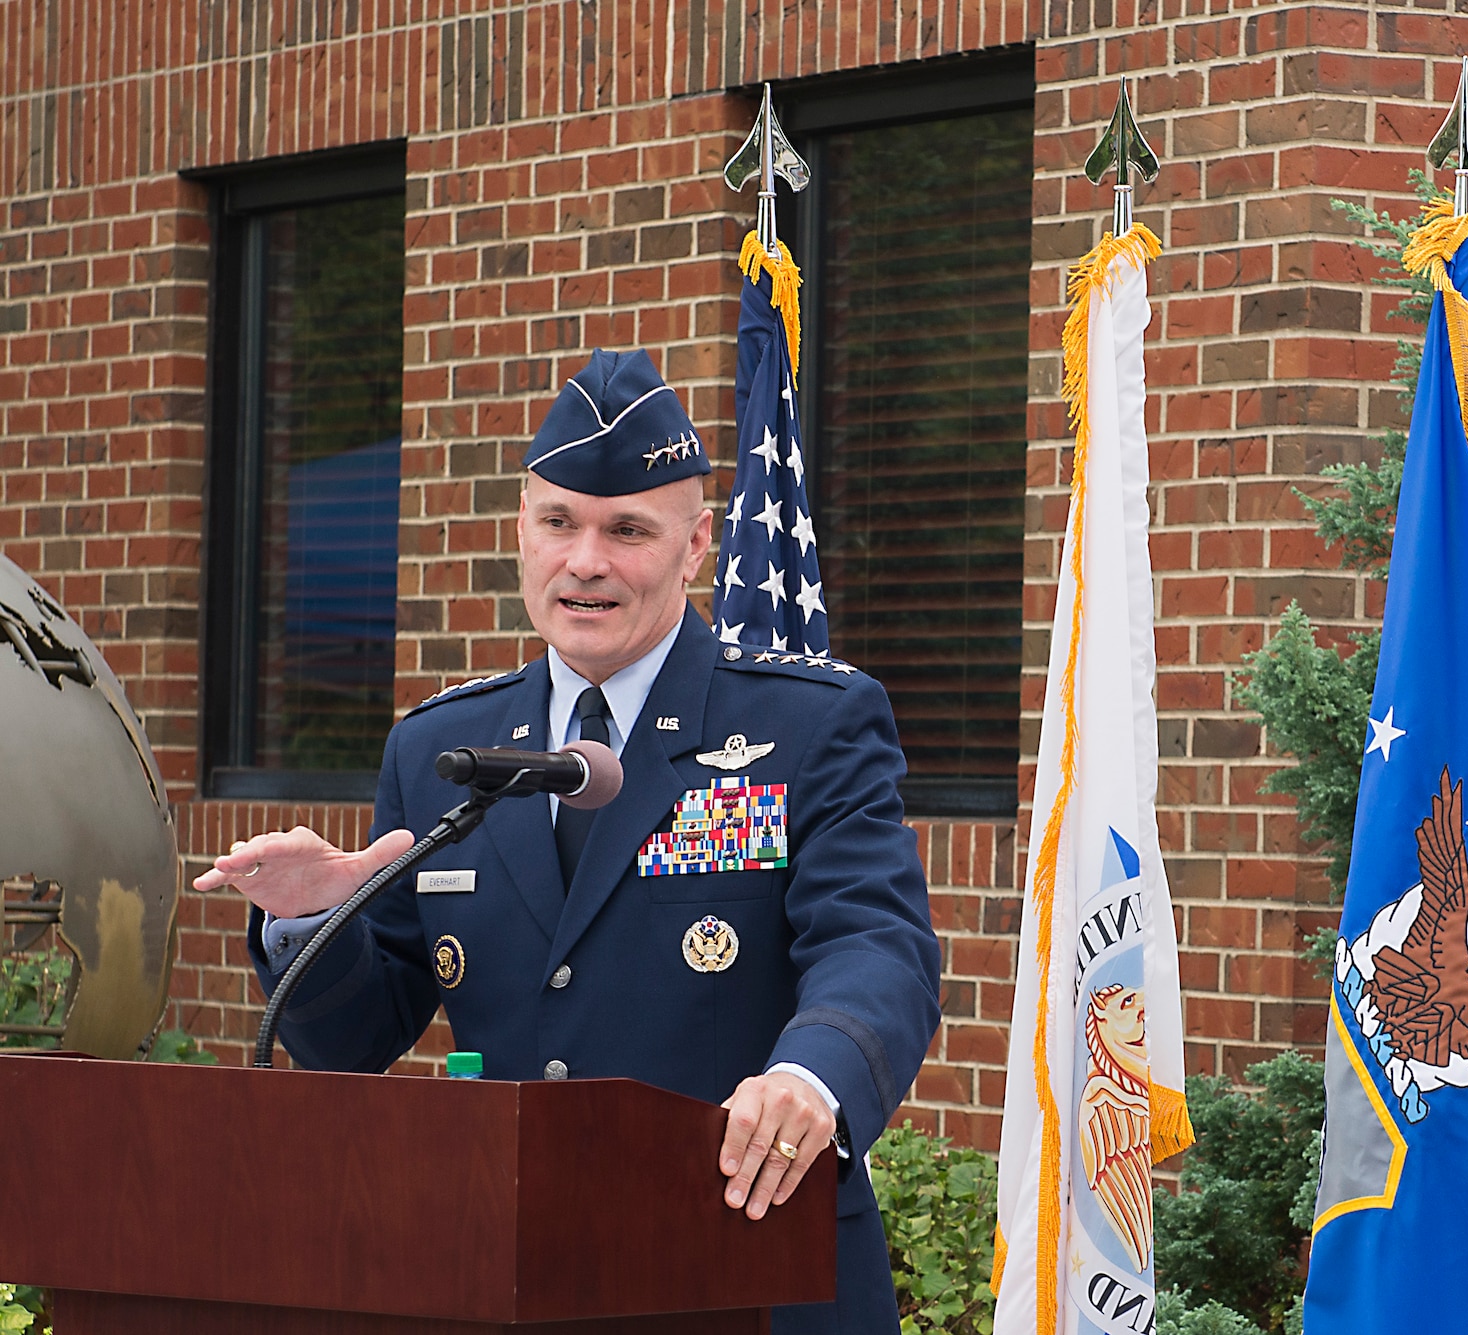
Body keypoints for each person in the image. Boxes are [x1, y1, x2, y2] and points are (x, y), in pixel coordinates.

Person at [196, 349, 941, 1334]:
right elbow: (354, 1041)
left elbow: (874, 944)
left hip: (749, 1265)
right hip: (514, 1279)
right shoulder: (438, 752)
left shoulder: (807, 724)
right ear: (521, 532)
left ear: (695, 545)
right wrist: (310, 925)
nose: (585, 561)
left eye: (627, 529)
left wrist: (807, 1080)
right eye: (558, 523)